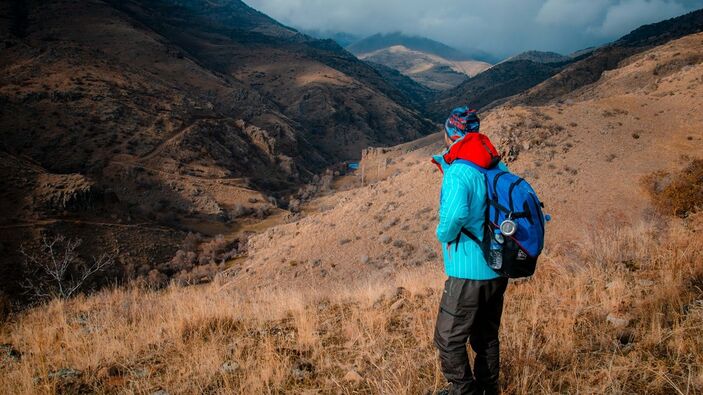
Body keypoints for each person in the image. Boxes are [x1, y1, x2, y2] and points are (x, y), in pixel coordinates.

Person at [431, 106, 509, 395]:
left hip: (467, 270)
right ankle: (489, 389)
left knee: (448, 338)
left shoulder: (459, 171)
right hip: (498, 266)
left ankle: (463, 391)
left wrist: (441, 234)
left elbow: (454, 217)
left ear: (451, 134)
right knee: (486, 335)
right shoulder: (496, 166)